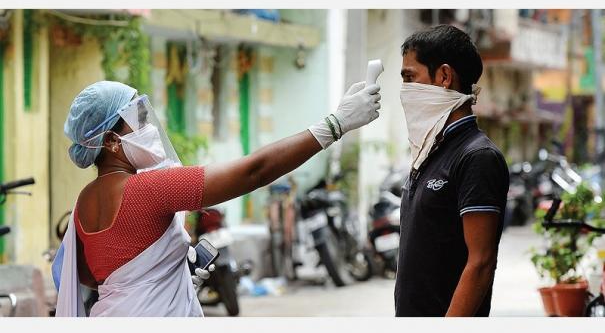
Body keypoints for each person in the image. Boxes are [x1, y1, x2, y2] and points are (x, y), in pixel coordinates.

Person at [54, 80, 381, 317]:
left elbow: (90, 274)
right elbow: (254, 172)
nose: (148, 127)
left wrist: (171, 272)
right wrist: (334, 125)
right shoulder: (150, 188)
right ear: (110, 141)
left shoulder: (84, 202)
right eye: (136, 120)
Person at [394, 24, 509, 317]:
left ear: (444, 77)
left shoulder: (477, 156)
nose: (405, 90)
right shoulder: (430, 151)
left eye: (410, 78)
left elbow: (481, 262)